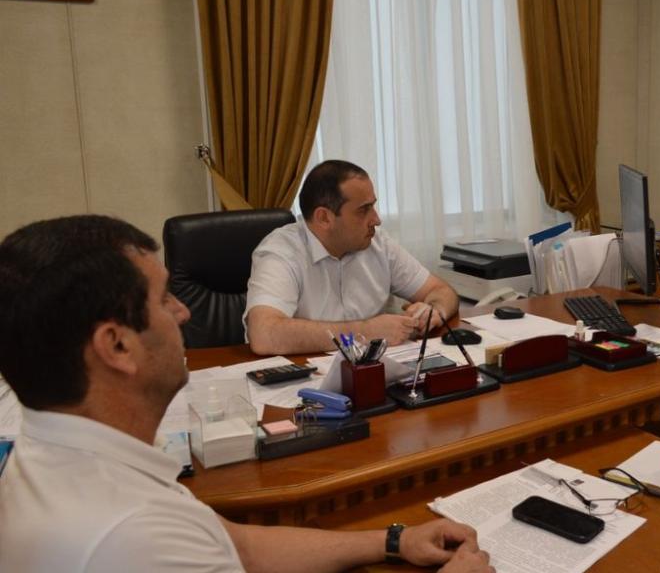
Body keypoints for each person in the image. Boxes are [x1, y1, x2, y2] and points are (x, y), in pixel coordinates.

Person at [0, 215, 492, 573]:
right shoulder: (134, 536)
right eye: (164, 299)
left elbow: (239, 547)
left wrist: (393, 540)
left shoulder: (63, 459)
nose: (183, 313)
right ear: (117, 345)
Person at [245, 160, 459, 354]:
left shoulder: (378, 243)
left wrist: (434, 310)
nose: (376, 220)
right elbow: (265, 334)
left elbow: (440, 290)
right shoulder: (281, 252)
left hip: (376, 370)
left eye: (373, 206)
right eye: (364, 210)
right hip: (304, 376)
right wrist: (366, 332)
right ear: (324, 218)